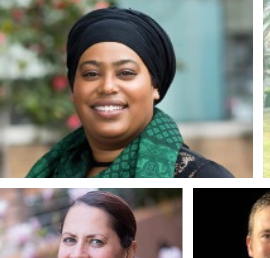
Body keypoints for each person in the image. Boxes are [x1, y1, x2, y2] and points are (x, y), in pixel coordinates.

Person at [26, 7, 233, 178]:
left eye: (125, 73)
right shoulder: (51, 173)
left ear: (155, 87)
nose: (107, 87)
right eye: (91, 74)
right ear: (73, 88)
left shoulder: (205, 177)